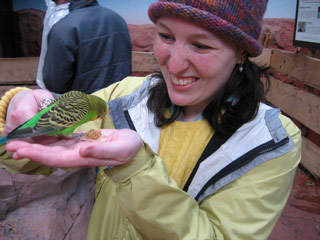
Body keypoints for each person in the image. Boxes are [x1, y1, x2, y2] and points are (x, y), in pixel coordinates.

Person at [0, 0, 301, 239]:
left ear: (240, 52)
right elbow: (25, 156)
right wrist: (16, 113)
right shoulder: (122, 96)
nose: (176, 64)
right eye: (166, 36)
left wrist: (136, 168)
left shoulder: (271, 141)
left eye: (201, 45)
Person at [41, 0, 132, 95]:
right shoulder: (118, 19)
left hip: (85, 105)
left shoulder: (63, 28)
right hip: (119, 100)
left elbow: (55, 84)